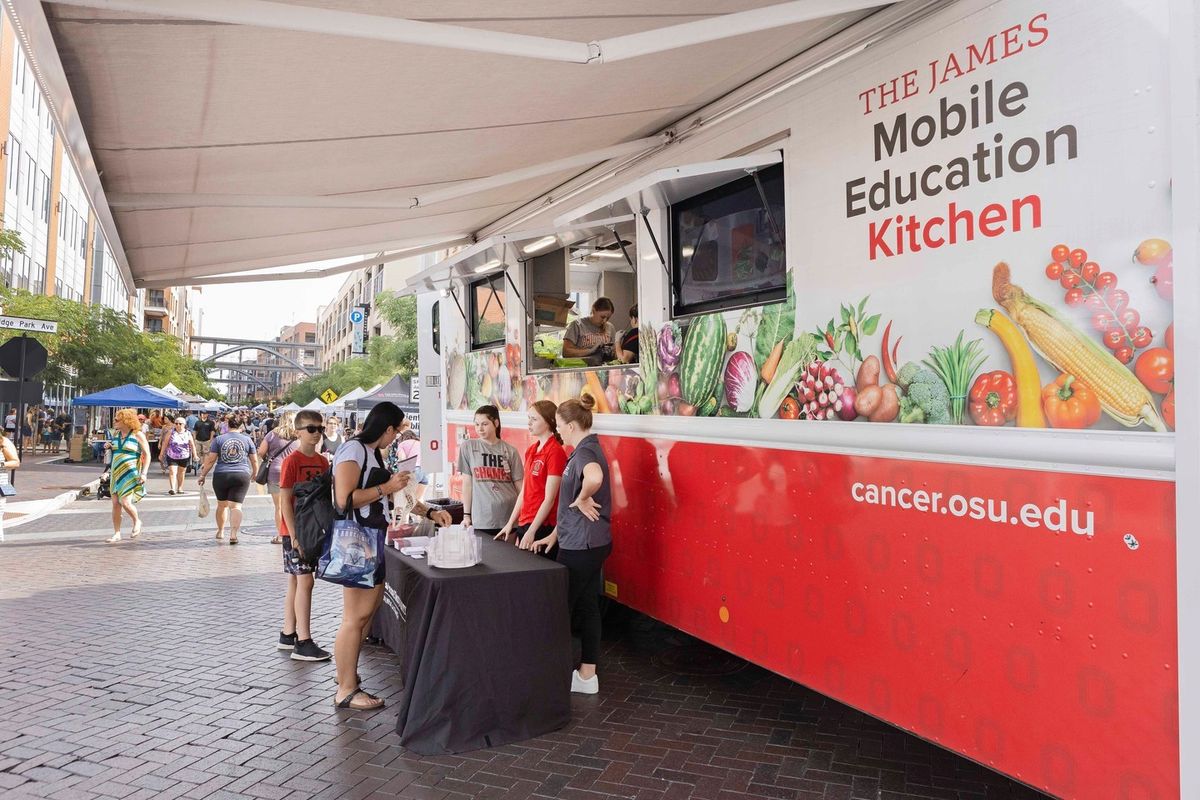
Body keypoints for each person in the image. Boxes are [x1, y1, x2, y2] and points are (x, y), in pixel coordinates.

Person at [330, 401, 451, 710]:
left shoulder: (369, 452)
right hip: (358, 541)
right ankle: (345, 688)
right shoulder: (354, 450)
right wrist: (386, 487)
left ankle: (348, 679)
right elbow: (345, 500)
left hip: (370, 538)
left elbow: (394, 496)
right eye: (396, 431)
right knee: (355, 618)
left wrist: (429, 511)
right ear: (387, 428)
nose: (396, 437)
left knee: (363, 616)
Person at [529, 395, 612, 695]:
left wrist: (583, 496)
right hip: (589, 542)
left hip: (582, 547)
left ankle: (551, 674)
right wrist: (556, 534)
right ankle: (587, 676)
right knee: (588, 605)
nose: (558, 430)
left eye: (560, 426)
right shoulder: (584, 449)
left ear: (573, 425)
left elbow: (595, 477)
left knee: (559, 608)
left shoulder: (586, 454)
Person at [276, 409, 333, 662]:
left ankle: (289, 633)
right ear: (298, 431)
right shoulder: (292, 461)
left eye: (320, 429)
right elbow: (285, 501)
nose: (317, 434)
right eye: (311, 429)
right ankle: (303, 641)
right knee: (305, 581)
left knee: (297, 581)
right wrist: (294, 534)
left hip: (312, 528)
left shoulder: (323, 462)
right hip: (295, 530)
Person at [496, 400, 566, 557]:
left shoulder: (555, 452)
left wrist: (533, 530)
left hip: (542, 525)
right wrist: (510, 523)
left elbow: (550, 498)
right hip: (525, 521)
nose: (529, 423)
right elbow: (525, 492)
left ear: (549, 422)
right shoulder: (532, 450)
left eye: (534, 419)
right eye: (529, 418)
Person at [457, 405, 523, 538]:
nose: (480, 428)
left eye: (484, 424)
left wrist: (524, 516)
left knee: (508, 558)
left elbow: (520, 487)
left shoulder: (511, 451)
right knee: (483, 557)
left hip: (508, 517)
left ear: (496, 423)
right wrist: (466, 515)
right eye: (476, 424)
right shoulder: (468, 447)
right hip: (481, 518)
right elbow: (467, 484)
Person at [197, 416, 259, 545]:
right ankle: (233, 534)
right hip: (241, 474)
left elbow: (211, 460)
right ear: (241, 426)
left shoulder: (218, 439)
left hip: (221, 474)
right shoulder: (247, 440)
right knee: (236, 506)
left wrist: (203, 475)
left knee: (222, 505)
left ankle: (220, 531)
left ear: (227, 425)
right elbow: (254, 459)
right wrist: (255, 473)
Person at [106, 407, 149, 543]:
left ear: (126, 421)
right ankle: (117, 533)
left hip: (130, 473)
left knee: (125, 502)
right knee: (115, 503)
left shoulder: (137, 434)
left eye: (117, 420)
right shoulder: (116, 435)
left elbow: (147, 454)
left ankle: (137, 521)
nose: (115, 422)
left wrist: (144, 473)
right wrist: (109, 446)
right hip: (116, 473)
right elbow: (114, 451)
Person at [259, 411, 298, 546]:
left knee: (279, 506)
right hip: (294, 473)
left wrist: (268, 458)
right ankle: (295, 533)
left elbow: (261, 452)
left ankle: (281, 535)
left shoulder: (272, 434)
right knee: (294, 504)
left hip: (275, 472)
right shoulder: (300, 435)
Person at [562, 297, 616, 366]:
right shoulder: (577, 325)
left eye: (608, 318)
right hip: (583, 369)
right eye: (602, 317)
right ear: (594, 310)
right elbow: (566, 352)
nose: (604, 321)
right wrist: (591, 351)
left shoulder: (610, 327)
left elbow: (615, 352)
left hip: (604, 369)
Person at [393, 420, 427, 502]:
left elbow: (403, 459)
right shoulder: (420, 443)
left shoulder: (402, 444)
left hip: (414, 470)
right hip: (425, 472)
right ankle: (421, 515)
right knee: (418, 499)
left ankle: (406, 515)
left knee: (407, 501)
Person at [162, 417, 194, 495]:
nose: (178, 425)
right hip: (172, 455)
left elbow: (192, 444)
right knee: (172, 471)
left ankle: (180, 487)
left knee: (181, 472)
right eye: (176, 423)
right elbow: (165, 443)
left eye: (180, 424)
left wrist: (195, 455)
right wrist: (161, 453)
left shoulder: (188, 433)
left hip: (184, 456)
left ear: (184, 425)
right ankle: (172, 488)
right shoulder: (171, 432)